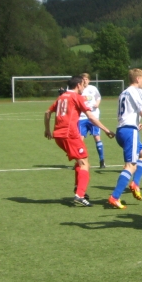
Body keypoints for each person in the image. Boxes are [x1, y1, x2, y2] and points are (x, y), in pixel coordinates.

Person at [45, 77, 114, 206]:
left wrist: (47, 130)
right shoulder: (76, 97)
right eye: (83, 85)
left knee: (81, 161)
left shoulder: (62, 97)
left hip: (58, 136)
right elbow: (91, 117)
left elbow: (47, 112)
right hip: (70, 135)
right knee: (84, 164)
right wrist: (106, 130)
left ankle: (79, 188)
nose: (84, 87)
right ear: (78, 85)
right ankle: (80, 195)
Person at [107, 69, 142, 209]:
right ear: (137, 79)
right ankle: (115, 197)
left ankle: (135, 183)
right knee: (131, 166)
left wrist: (136, 124)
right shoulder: (135, 91)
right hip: (129, 132)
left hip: (123, 129)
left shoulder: (124, 92)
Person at [78, 73, 106, 168]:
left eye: (86, 79)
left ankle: (102, 160)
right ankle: (80, 161)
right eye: (83, 79)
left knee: (97, 137)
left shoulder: (93, 88)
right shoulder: (78, 90)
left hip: (93, 116)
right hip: (81, 117)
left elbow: (98, 97)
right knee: (80, 140)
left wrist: (97, 103)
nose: (84, 81)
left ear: (89, 80)